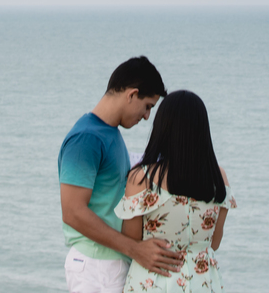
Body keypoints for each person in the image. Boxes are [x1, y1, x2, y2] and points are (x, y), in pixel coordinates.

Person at [59, 57, 184, 293]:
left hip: (108, 263)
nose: (147, 116)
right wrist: (135, 249)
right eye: (147, 106)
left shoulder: (109, 134)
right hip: (96, 265)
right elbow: (73, 212)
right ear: (132, 94)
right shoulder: (86, 139)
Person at [114, 90, 236, 293]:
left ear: (162, 128)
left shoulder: (142, 178)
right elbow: (214, 242)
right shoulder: (219, 177)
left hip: (154, 281)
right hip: (203, 282)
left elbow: (132, 238)